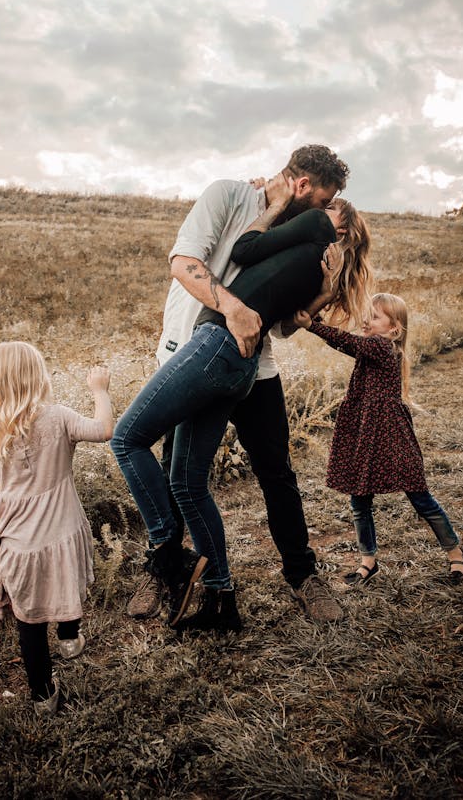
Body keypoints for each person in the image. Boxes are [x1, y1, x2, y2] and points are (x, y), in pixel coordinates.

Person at [111, 181, 372, 634]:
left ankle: (297, 573)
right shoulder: (233, 197)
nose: (321, 208)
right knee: (183, 475)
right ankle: (203, 587)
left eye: (330, 206)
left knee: (271, 471)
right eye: (322, 198)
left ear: (340, 222)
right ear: (305, 183)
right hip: (194, 349)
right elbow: (186, 262)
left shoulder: (305, 230)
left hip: (235, 358)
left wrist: (323, 293)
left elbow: (281, 318)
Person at [294, 293, 463, 585]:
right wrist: (316, 321)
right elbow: (345, 342)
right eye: (367, 314)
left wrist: (312, 326)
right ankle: (368, 562)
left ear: (394, 329)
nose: (366, 319)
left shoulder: (382, 346)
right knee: (359, 498)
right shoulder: (373, 346)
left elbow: (350, 342)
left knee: (419, 496)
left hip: (390, 435)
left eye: (375, 317)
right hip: (367, 434)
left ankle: (456, 553)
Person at [0, 342, 113, 716]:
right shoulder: (59, 417)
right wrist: (99, 390)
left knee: (30, 621)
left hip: (16, 542)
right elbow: (104, 430)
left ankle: (43, 697)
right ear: (39, 377)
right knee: (64, 580)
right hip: (59, 529)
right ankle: (70, 640)